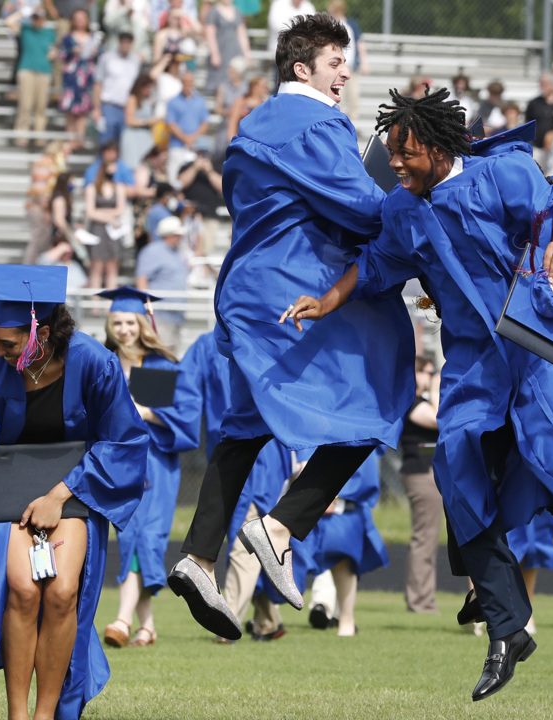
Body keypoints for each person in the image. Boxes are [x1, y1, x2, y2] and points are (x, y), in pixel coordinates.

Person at [285, 91, 553, 699]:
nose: (395, 163)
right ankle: (507, 626)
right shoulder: (403, 211)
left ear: (437, 145)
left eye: (405, 151)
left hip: (533, 332)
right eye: (392, 152)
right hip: (475, 354)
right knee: (456, 467)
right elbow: (376, 264)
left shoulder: (499, 171)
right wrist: (330, 299)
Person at [164, 14, 413, 643]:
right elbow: (361, 208)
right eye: (335, 62)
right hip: (292, 291)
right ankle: (279, 529)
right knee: (382, 400)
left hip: (246, 290)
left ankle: (197, 556)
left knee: (244, 426)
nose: (345, 73)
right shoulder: (317, 121)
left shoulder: (251, 126)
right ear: (302, 69)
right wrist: (420, 199)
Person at [0, 263, 147, 720]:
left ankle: (47, 714)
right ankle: (17, 715)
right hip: (9, 486)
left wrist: (59, 495)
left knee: (61, 592)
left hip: (74, 485)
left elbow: (122, 441)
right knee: (22, 589)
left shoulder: (93, 362)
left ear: (40, 331)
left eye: (9, 342)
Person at [158, 329, 298, 644]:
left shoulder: (270, 338)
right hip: (234, 455)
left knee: (247, 533)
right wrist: (145, 379)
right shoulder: (209, 346)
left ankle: (229, 615)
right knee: (251, 533)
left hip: (265, 453)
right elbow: (181, 387)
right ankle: (267, 621)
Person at [95, 287, 194, 649]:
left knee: (145, 538)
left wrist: (148, 412)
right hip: (118, 464)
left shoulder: (157, 366)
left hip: (156, 463)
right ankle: (147, 627)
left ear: (142, 323)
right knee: (129, 537)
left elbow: (185, 418)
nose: (124, 329)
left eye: (130, 322)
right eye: (117, 322)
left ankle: (121, 620)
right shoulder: (102, 364)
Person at [301, 449, 388, 636]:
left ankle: (342, 617)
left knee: (343, 558)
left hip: (343, 501)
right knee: (288, 556)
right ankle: (340, 616)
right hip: (322, 494)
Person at [401, 354, 441, 614]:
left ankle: (423, 599)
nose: (429, 376)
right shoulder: (410, 401)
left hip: (432, 472)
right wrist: (437, 387)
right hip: (421, 472)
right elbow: (439, 418)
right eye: (425, 371)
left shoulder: (420, 400)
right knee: (425, 539)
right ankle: (420, 601)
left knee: (431, 539)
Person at [134, 215, 188, 348]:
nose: (180, 237)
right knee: (159, 353)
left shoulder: (176, 252)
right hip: (159, 314)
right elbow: (142, 278)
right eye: (177, 234)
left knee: (171, 354)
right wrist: (146, 306)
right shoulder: (153, 251)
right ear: (169, 234)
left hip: (175, 315)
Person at [7, 6, 57, 147]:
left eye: (39, 17)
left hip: (44, 71)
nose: (37, 20)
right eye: (34, 17)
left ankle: (39, 136)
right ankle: (21, 136)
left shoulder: (49, 33)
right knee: (25, 105)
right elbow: (9, 22)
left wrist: (54, 52)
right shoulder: (26, 30)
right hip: (27, 70)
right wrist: (24, 12)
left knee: (41, 107)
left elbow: (57, 47)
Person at [84, 147, 129, 291]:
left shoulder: (119, 187)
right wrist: (110, 218)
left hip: (112, 231)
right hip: (98, 229)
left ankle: (109, 303)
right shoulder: (92, 188)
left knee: (112, 267)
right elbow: (90, 212)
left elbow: (121, 209)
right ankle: (95, 304)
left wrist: (101, 213)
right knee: (96, 266)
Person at [58, 9, 98, 148]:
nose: (80, 21)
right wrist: (72, 51)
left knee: (83, 110)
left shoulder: (93, 37)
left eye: (83, 18)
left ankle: (80, 139)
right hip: (72, 76)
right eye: (77, 18)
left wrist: (95, 53)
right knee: (70, 110)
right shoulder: (68, 37)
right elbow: (61, 55)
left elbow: (100, 57)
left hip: (87, 77)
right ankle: (70, 138)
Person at [93, 31, 142, 146]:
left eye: (128, 43)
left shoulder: (136, 61)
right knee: (106, 144)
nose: (126, 45)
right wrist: (96, 108)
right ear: (119, 43)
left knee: (124, 145)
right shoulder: (107, 58)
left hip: (127, 108)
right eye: (124, 42)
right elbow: (98, 83)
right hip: (109, 105)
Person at [23, 140, 66, 264]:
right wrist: (46, 210)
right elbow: (40, 190)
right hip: (38, 208)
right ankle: (27, 270)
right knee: (37, 241)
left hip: (43, 208)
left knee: (43, 241)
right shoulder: (45, 163)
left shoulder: (52, 164)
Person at [165, 70, 208, 186]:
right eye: (185, 81)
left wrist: (193, 138)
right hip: (177, 145)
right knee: (174, 179)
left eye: (190, 82)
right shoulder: (173, 102)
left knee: (193, 178)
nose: (188, 84)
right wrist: (185, 138)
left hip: (194, 146)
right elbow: (171, 123)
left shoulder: (200, 101)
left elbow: (205, 123)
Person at [327, 0, 365, 124]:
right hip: (338, 68)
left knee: (353, 95)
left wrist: (364, 61)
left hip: (351, 66)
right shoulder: (330, 26)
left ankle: (353, 123)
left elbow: (359, 42)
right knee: (339, 97)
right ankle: (339, 122)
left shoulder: (350, 24)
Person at [203, 0, 250, 96]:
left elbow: (242, 34)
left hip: (235, 52)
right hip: (221, 53)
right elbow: (210, 34)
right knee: (220, 85)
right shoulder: (213, 11)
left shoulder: (237, 11)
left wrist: (247, 54)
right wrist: (214, 54)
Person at [524, 72, 553, 169]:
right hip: (537, 147)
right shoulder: (534, 103)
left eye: (545, 83)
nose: (542, 86)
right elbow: (527, 122)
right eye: (541, 83)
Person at [119, 74, 163, 170]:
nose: (149, 90)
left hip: (146, 138)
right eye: (146, 87)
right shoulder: (132, 99)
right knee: (131, 166)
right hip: (133, 137)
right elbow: (129, 120)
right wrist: (147, 122)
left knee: (144, 167)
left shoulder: (148, 101)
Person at [225, 73, 268, 140]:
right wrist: (231, 139)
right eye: (264, 86)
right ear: (254, 87)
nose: (266, 89)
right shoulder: (241, 102)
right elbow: (232, 122)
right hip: (242, 140)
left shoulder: (265, 103)